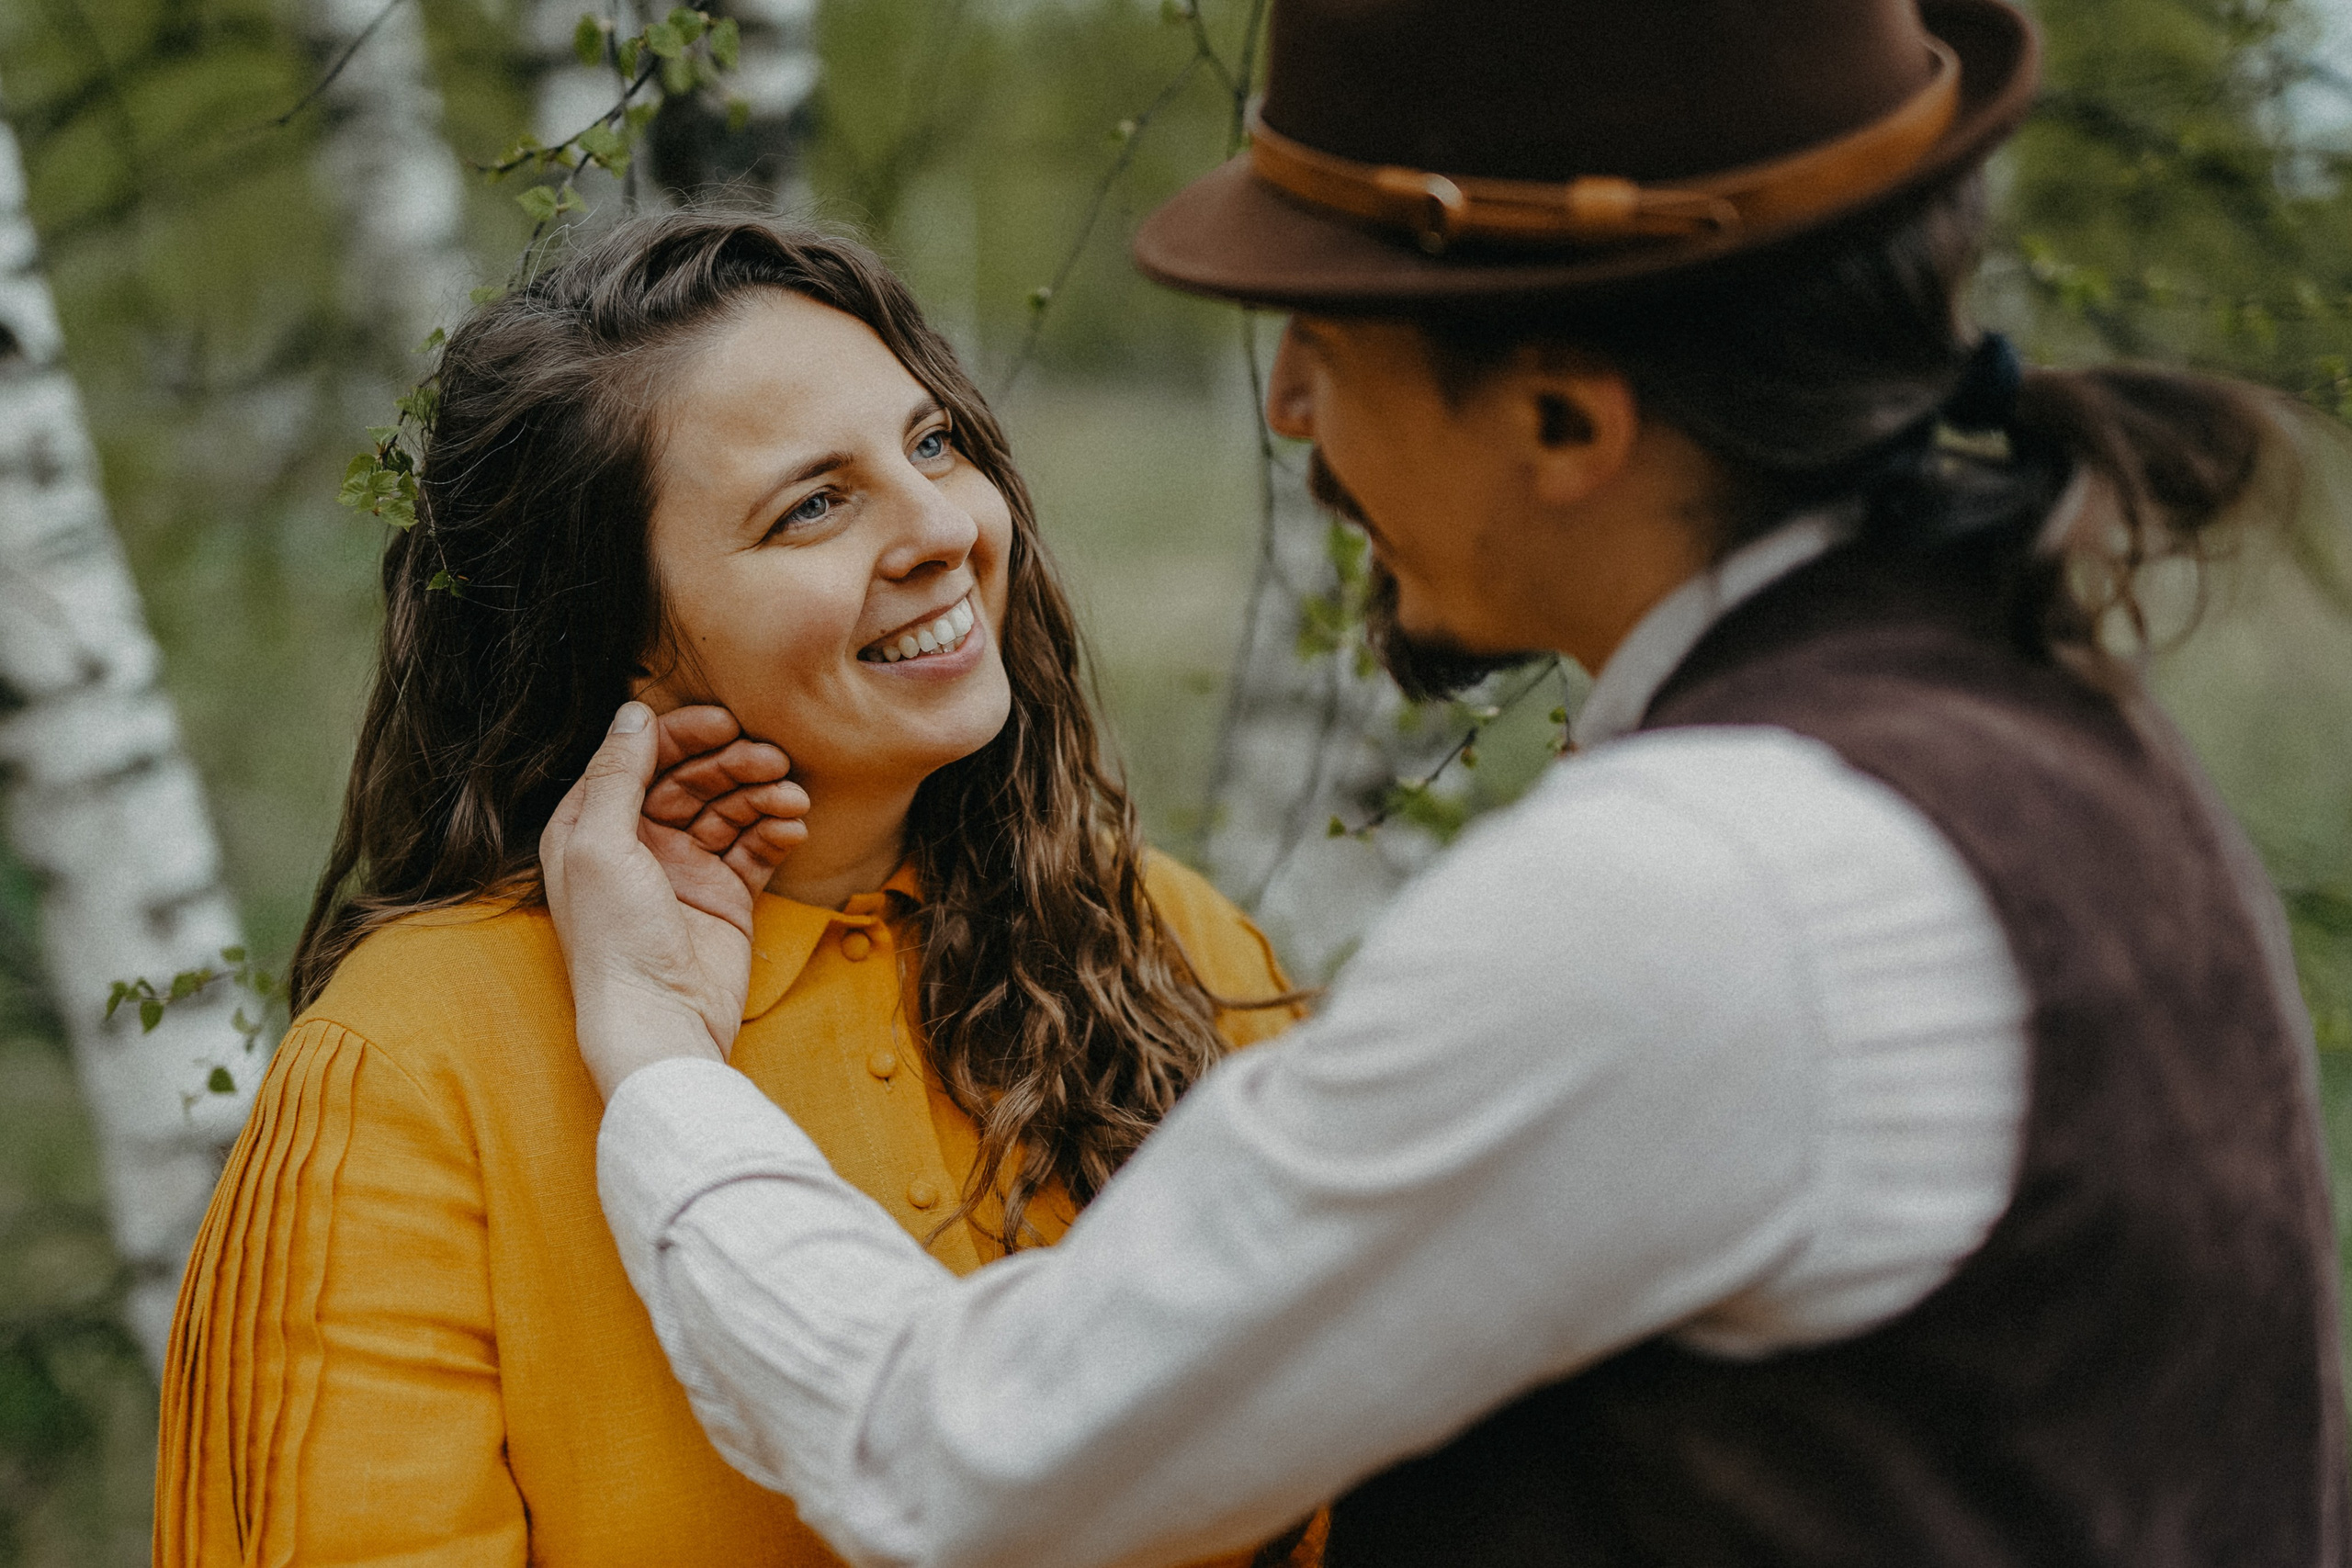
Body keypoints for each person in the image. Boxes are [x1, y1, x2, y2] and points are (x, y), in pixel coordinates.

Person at [545, 1, 2351, 1565]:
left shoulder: (1692, 895)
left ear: (1565, 419)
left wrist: (652, 1051)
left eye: (1328, 331)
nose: (1290, 408)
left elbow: (956, 1460)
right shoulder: (2041, 725)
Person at [153, 217, 1317, 1568]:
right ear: (624, 636)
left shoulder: (1172, 941)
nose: (944, 527)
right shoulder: (413, 1062)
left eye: (933, 444)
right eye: (813, 505)